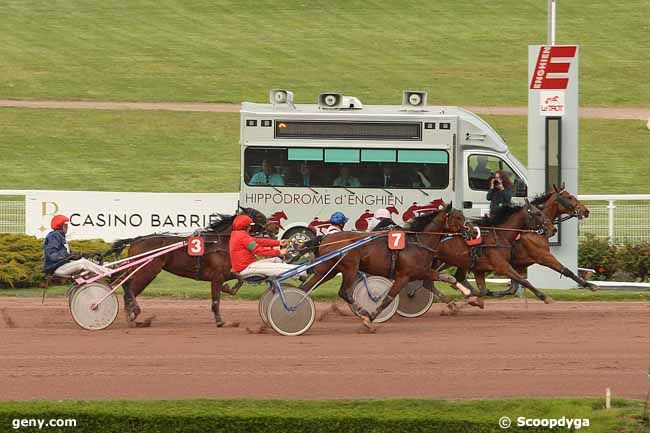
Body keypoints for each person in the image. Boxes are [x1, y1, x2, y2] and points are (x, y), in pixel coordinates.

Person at [229, 214, 303, 278]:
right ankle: (303, 271)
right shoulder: (243, 237)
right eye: (250, 226)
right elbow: (258, 250)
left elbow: (259, 241)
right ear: (246, 226)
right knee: (280, 267)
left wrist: (279, 243)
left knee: (277, 260)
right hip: (247, 268)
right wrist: (279, 252)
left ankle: (298, 275)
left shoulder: (237, 234)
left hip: (247, 266)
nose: (250, 228)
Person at [43, 214, 112, 278]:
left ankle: (109, 266)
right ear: (60, 226)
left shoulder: (60, 236)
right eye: (65, 225)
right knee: (83, 262)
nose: (67, 227)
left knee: (86, 261)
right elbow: (53, 256)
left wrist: (84, 254)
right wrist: (69, 255)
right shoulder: (54, 236)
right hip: (56, 269)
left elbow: (67, 254)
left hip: (62, 266)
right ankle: (110, 273)